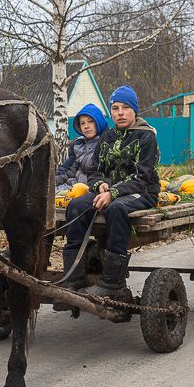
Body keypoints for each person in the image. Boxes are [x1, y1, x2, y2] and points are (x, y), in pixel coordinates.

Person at [55, 85, 160, 301]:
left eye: (125, 108)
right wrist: (100, 184)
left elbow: (142, 177)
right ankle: (74, 280)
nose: (120, 113)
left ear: (134, 110)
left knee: (117, 208)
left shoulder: (146, 136)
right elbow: (94, 171)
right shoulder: (108, 137)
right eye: (115, 108)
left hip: (142, 191)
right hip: (108, 191)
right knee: (76, 206)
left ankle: (112, 283)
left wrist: (112, 193)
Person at [55, 103, 108, 195]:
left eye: (90, 121)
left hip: (96, 190)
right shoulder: (78, 144)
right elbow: (68, 170)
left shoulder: (109, 143)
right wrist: (50, 181)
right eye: (82, 123)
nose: (86, 126)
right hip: (74, 186)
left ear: (99, 122)